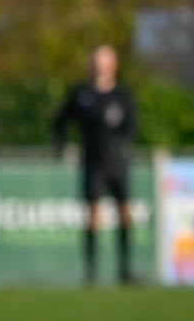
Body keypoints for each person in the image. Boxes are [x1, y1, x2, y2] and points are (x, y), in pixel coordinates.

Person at [52, 43, 140, 285]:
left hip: (118, 164)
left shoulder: (122, 95)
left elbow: (132, 126)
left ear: (113, 65)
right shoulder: (82, 94)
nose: (98, 67)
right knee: (92, 215)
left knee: (124, 213)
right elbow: (59, 120)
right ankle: (91, 272)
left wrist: (121, 145)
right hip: (92, 163)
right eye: (94, 62)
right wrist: (61, 145)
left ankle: (125, 270)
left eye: (103, 62)